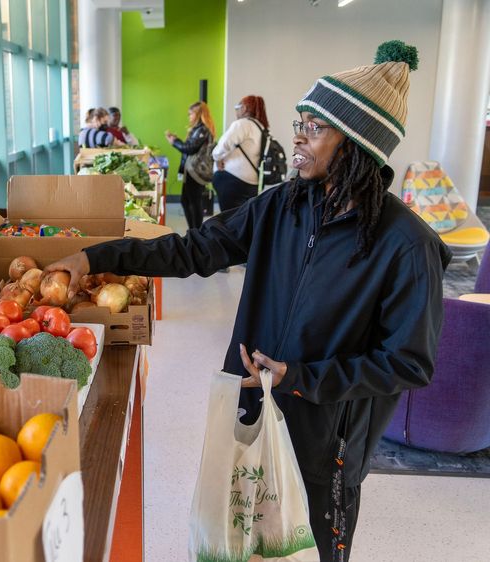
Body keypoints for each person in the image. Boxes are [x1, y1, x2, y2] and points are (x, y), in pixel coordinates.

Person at [46, 42, 448, 561]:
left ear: (356, 146)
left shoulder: (406, 245)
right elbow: (194, 248)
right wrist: (98, 257)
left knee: (311, 545)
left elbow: (409, 362)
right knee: (245, 536)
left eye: (315, 127)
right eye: (298, 121)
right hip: (251, 403)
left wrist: (301, 377)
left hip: (327, 438)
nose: (297, 136)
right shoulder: (281, 206)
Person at [211, 95, 268, 212]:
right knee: (243, 219)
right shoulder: (261, 126)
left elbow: (222, 146)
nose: (236, 110)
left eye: (238, 107)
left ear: (245, 108)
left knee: (229, 220)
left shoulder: (242, 124)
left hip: (233, 181)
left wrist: (217, 158)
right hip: (253, 182)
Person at [165, 101, 216, 230]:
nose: (189, 117)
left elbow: (190, 149)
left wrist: (174, 142)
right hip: (191, 170)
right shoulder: (198, 129)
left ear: (198, 114)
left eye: (190, 114)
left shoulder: (202, 129)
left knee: (194, 201)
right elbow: (190, 148)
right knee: (186, 200)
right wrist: (177, 141)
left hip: (196, 171)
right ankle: (193, 230)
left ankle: (195, 231)